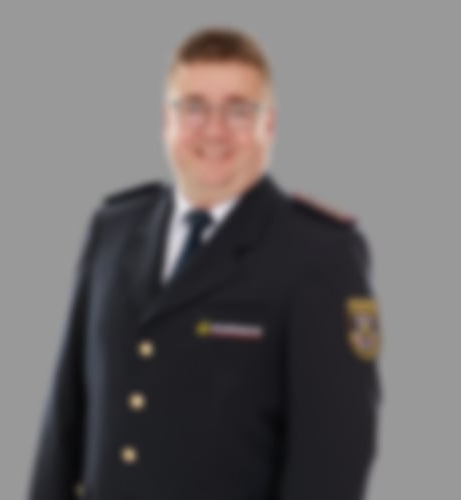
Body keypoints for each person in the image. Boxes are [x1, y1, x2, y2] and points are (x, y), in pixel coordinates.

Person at [28, 27, 381, 500]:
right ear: (166, 120)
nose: (214, 130)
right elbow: (65, 416)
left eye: (239, 110)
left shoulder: (318, 253)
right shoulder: (113, 229)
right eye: (193, 107)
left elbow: (332, 461)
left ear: (270, 125)